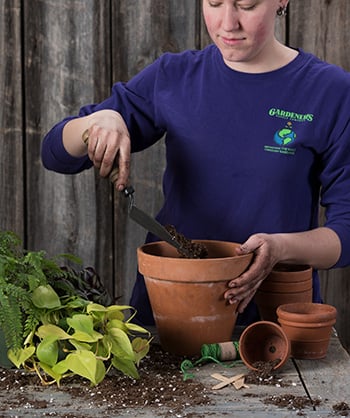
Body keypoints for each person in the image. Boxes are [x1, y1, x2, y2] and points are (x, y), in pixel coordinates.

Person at [41, 0, 350, 326]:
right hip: (167, 317)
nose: (228, 23)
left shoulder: (330, 92)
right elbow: (55, 153)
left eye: (246, 5)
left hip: (271, 326)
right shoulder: (174, 76)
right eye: (214, 3)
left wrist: (280, 247)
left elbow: (345, 233)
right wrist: (100, 121)